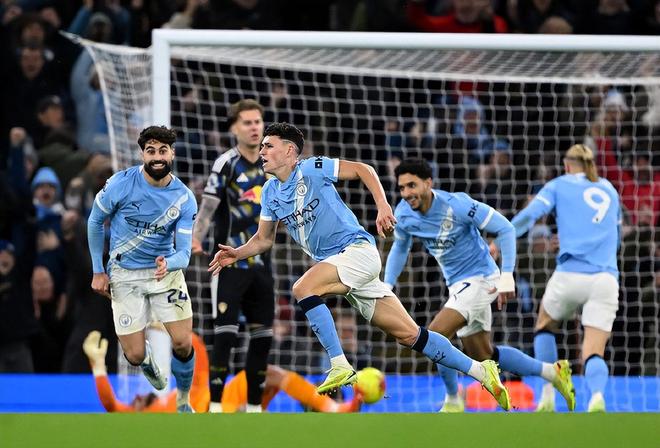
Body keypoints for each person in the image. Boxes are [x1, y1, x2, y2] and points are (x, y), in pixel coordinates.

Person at [209, 122, 512, 411]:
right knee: (410, 335)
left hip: (357, 251)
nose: (262, 151)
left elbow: (363, 169)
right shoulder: (270, 192)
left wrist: (382, 205)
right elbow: (264, 240)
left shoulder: (312, 168)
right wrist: (237, 253)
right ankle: (481, 371)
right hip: (341, 264)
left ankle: (339, 364)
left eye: (268, 145)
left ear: (289, 150)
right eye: (262, 146)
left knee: (303, 288)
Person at [384, 158, 575, 413]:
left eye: (412, 185)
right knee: (484, 354)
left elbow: (506, 228)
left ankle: (453, 400)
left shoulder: (457, 205)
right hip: (457, 286)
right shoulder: (403, 214)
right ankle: (553, 372)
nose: (406, 193)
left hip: (483, 278)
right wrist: (387, 284)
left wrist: (507, 276)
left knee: (436, 335)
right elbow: (400, 247)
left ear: (428, 183)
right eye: (402, 188)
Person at [87, 125, 198, 413]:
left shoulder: (184, 198)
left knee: (183, 343)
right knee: (134, 356)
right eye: (151, 151)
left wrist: (169, 263)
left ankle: (183, 399)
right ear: (142, 155)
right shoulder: (120, 184)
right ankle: (147, 361)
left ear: (172, 153)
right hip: (124, 274)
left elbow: (184, 253)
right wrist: (98, 271)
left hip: (164, 273)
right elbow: (95, 221)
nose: (157, 157)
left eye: (163, 151)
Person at [511, 144, 621, 413]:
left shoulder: (559, 184)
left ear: (567, 165)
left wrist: (503, 236)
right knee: (593, 350)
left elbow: (531, 214)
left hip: (569, 275)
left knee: (544, 326)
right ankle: (597, 398)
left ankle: (548, 394)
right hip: (605, 279)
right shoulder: (610, 189)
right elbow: (613, 238)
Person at [192, 99, 274, 413]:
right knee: (225, 337)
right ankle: (214, 408)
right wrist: (196, 238)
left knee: (263, 338)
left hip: (262, 266)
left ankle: (254, 410)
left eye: (258, 122)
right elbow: (208, 207)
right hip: (228, 264)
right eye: (247, 123)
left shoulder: (273, 165)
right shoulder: (226, 163)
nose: (254, 128)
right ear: (234, 129)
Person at [83, 330, 361, 413]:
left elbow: (200, 366)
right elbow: (110, 404)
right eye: (133, 402)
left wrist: (179, 333)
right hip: (215, 412)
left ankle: (327, 409)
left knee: (270, 376)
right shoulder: (150, 419)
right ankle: (330, 409)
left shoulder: (177, 396)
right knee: (268, 376)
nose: (135, 397)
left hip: (224, 399)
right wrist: (97, 365)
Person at [83, 329, 209, 412]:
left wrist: (98, 367)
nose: (138, 395)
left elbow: (111, 405)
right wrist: (174, 331)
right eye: (134, 403)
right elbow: (200, 376)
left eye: (133, 400)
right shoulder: (151, 417)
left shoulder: (173, 400)